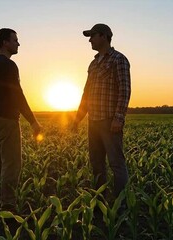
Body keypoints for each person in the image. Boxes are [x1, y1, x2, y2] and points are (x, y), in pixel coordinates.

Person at [72, 23, 131, 199]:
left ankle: (121, 203)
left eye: (92, 35)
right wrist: (78, 119)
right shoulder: (93, 64)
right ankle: (100, 201)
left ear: (104, 36)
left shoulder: (118, 59)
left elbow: (125, 90)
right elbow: (86, 93)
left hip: (109, 120)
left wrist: (118, 118)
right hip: (94, 121)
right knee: (96, 163)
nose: (89, 39)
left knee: (116, 163)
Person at [0, 28, 41, 211]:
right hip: (7, 120)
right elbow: (18, 94)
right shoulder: (9, 65)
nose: (18, 43)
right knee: (12, 164)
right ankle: (8, 205)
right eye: (15, 40)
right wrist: (32, 121)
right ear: (5, 42)